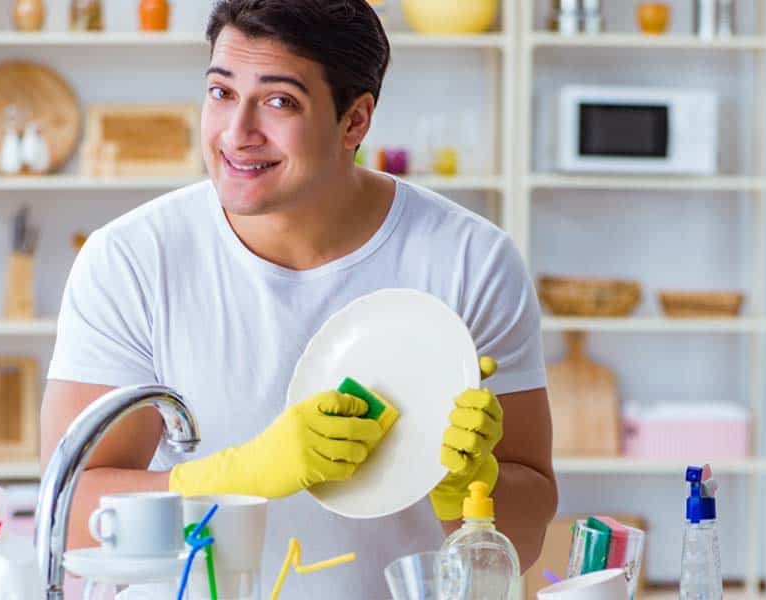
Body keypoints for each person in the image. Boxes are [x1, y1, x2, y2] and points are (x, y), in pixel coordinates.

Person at [41, 0, 557, 595]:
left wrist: (471, 488)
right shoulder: (132, 260)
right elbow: (71, 515)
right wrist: (239, 475)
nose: (237, 133)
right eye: (221, 93)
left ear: (355, 122)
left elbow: (523, 541)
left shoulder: (470, 262)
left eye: (280, 101)